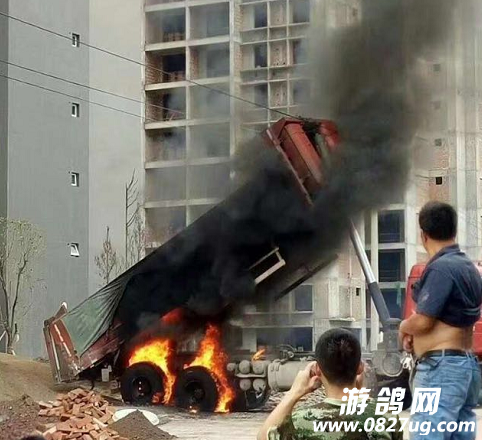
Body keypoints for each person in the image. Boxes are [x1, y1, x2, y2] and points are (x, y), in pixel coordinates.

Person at [400, 201, 482, 440]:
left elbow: (423, 321)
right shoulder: (469, 268)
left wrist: (404, 327)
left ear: (423, 235)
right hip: (465, 367)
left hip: (441, 369)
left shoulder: (441, 268)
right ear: (454, 231)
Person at [257, 329, 403, 440]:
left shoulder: (300, 421)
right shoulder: (386, 415)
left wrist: (294, 393)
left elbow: (263, 437)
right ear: (360, 367)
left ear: (317, 370)